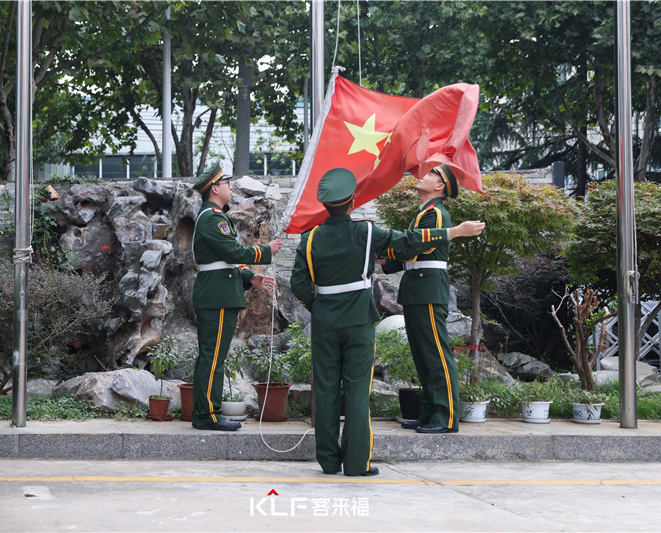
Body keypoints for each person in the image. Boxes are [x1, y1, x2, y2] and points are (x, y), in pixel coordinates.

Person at [290, 167, 482, 476]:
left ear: (324, 203)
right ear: (353, 201)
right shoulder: (366, 232)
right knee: (357, 389)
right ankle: (356, 463)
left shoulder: (309, 238)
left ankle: (328, 460)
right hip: (358, 320)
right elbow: (408, 240)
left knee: (325, 389)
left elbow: (299, 284)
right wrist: (454, 232)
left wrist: (318, 306)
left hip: (325, 322)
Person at [380, 164, 485, 434]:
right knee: (423, 355)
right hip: (418, 287)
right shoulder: (424, 212)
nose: (422, 176)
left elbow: (417, 244)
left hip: (427, 287)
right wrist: (384, 259)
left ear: (440, 187)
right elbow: (411, 251)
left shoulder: (436, 213)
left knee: (436, 354)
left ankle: (445, 417)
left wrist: (384, 246)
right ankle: (428, 413)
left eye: (430, 175)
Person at [191, 162, 283, 431]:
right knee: (212, 358)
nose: (230, 188)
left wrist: (249, 277)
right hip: (217, 295)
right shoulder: (212, 218)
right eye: (226, 183)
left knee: (213, 357)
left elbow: (224, 260)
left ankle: (207, 412)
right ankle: (208, 415)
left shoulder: (215, 216)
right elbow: (233, 252)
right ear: (214, 188)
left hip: (219, 291)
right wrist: (266, 250)